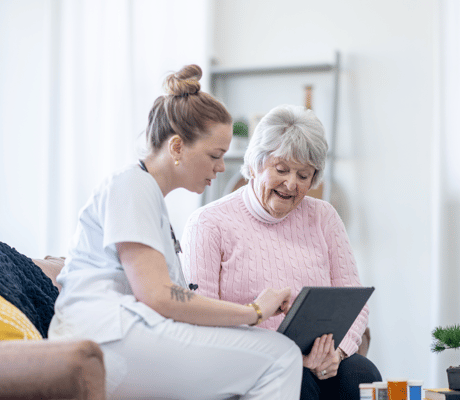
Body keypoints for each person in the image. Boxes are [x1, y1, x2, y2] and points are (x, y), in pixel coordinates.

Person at [48, 65, 303, 399]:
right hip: (105, 336)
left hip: (119, 334)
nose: (222, 166)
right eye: (215, 154)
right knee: (280, 356)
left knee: (263, 359)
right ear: (178, 147)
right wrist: (252, 313)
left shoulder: (148, 196)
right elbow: (159, 295)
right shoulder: (130, 185)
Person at [181, 104, 382, 400]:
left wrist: (337, 354)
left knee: (363, 376)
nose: (291, 184)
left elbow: (355, 299)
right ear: (255, 165)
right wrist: (289, 358)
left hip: (321, 356)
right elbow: (203, 315)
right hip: (251, 358)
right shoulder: (208, 223)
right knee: (297, 382)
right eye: (281, 169)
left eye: (304, 175)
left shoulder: (324, 217)